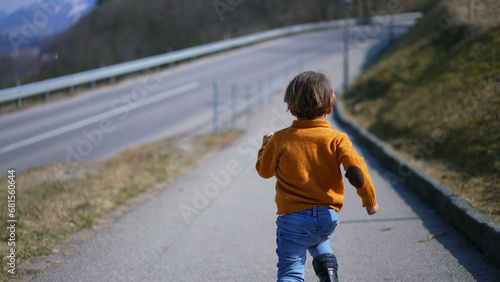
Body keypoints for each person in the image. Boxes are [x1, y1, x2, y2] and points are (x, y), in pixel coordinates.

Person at [255, 71, 379, 282]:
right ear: (329, 109)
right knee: (317, 238)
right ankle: (328, 272)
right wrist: (370, 200)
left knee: (291, 271)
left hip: (293, 219)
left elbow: (264, 171)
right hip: (327, 217)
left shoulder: (281, 139)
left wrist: (265, 145)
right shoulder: (338, 139)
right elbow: (356, 170)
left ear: (291, 109)